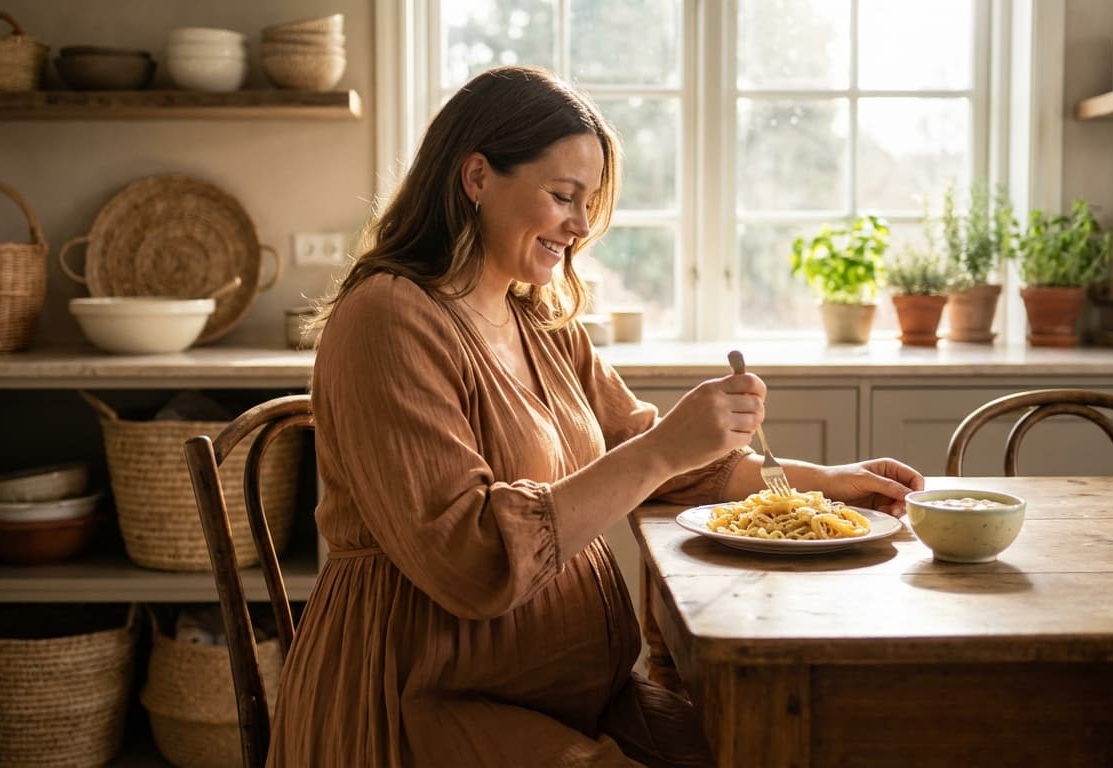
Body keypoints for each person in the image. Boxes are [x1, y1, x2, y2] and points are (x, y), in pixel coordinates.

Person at [269, 65, 924, 767]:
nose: (581, 227)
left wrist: (822, 481)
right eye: (562, 196)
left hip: (575, 697)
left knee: (771, 747)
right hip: (421, 702)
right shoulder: (387, 319)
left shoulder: (538, 316)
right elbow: (470, 557)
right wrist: (664, 450)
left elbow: (652, 461)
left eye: (589, 203)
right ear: (477, 177)